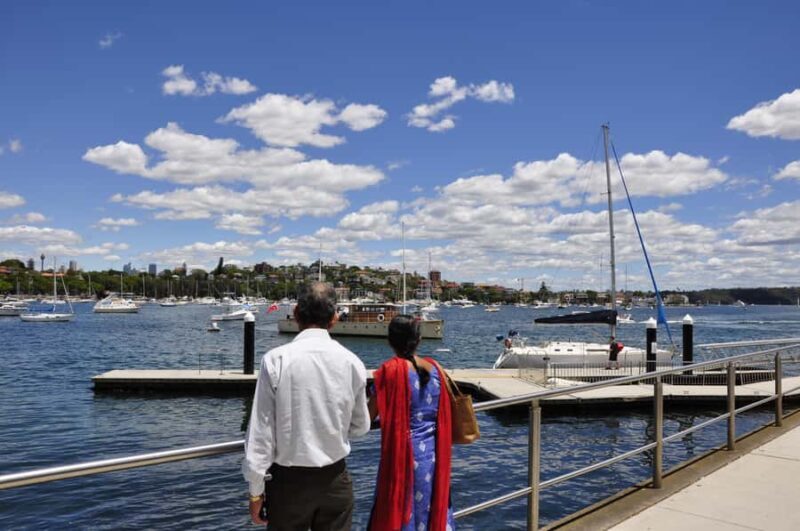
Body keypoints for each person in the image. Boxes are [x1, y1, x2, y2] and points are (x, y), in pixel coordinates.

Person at [243, 282, 371, 530]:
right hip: (336, 480)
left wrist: (256, 492)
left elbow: (261, 435)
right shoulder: (352, 362)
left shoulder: (276, 360)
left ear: (296, 313)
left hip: (288, 484)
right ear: (334, 318)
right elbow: (360, 427)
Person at [368, 315, 455, 531]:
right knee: (429, 508)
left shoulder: (390, 371)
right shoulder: (435, 368)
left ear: (390, 341)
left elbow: (368, 415)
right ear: (418, 340)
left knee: (401, 509)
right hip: (433, 455)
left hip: (403, 456)